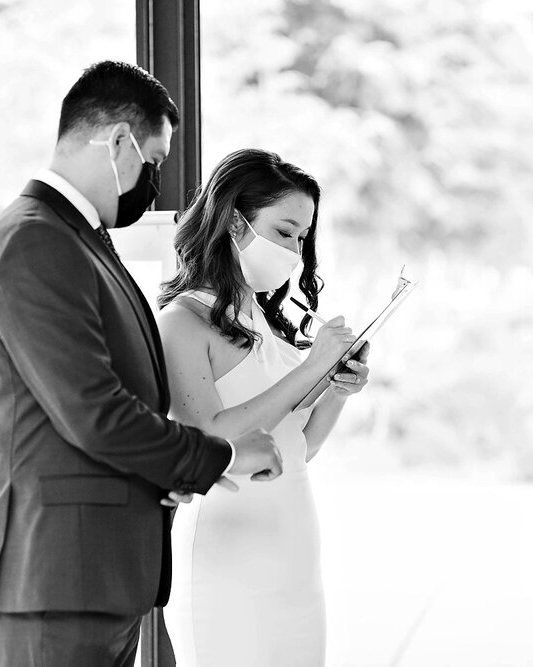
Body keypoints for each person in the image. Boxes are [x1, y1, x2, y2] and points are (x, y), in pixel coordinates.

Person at [0, 62, 283, 667]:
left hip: (94, 573)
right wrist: (227, 454)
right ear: (117, 142)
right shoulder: (35, 241)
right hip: (57, 577)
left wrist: (159, 473)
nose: (155, 183)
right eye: (154, 161)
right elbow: (95, 414)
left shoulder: (76, 237)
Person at [157, 149, 372, 667]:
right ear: (234, 221)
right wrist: (308, 368)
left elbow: (300, 447)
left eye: (303, 238)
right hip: (225, 558)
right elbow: (209, 437)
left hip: (294, 554)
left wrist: (337, 389)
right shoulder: (181, 322)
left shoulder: (266, 323)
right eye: (284, 232)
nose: (296, 251)